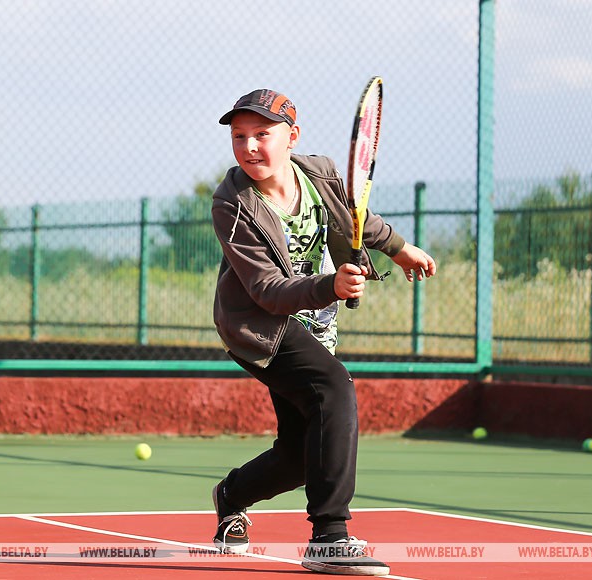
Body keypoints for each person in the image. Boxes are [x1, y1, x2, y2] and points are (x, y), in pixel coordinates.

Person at [210, 88, 436, 576]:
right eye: (238, 136)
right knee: (334, 386)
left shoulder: (321, 174)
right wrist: (330, 285)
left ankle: (232, 495)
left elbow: (357, 219)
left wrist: (399, 248)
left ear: (292, 137)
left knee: (299, 454)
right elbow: (267, 290)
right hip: (259, 328)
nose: (249, 147)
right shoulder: (232, 203)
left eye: (261, 135)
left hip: (313, 322)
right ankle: (330, 538)